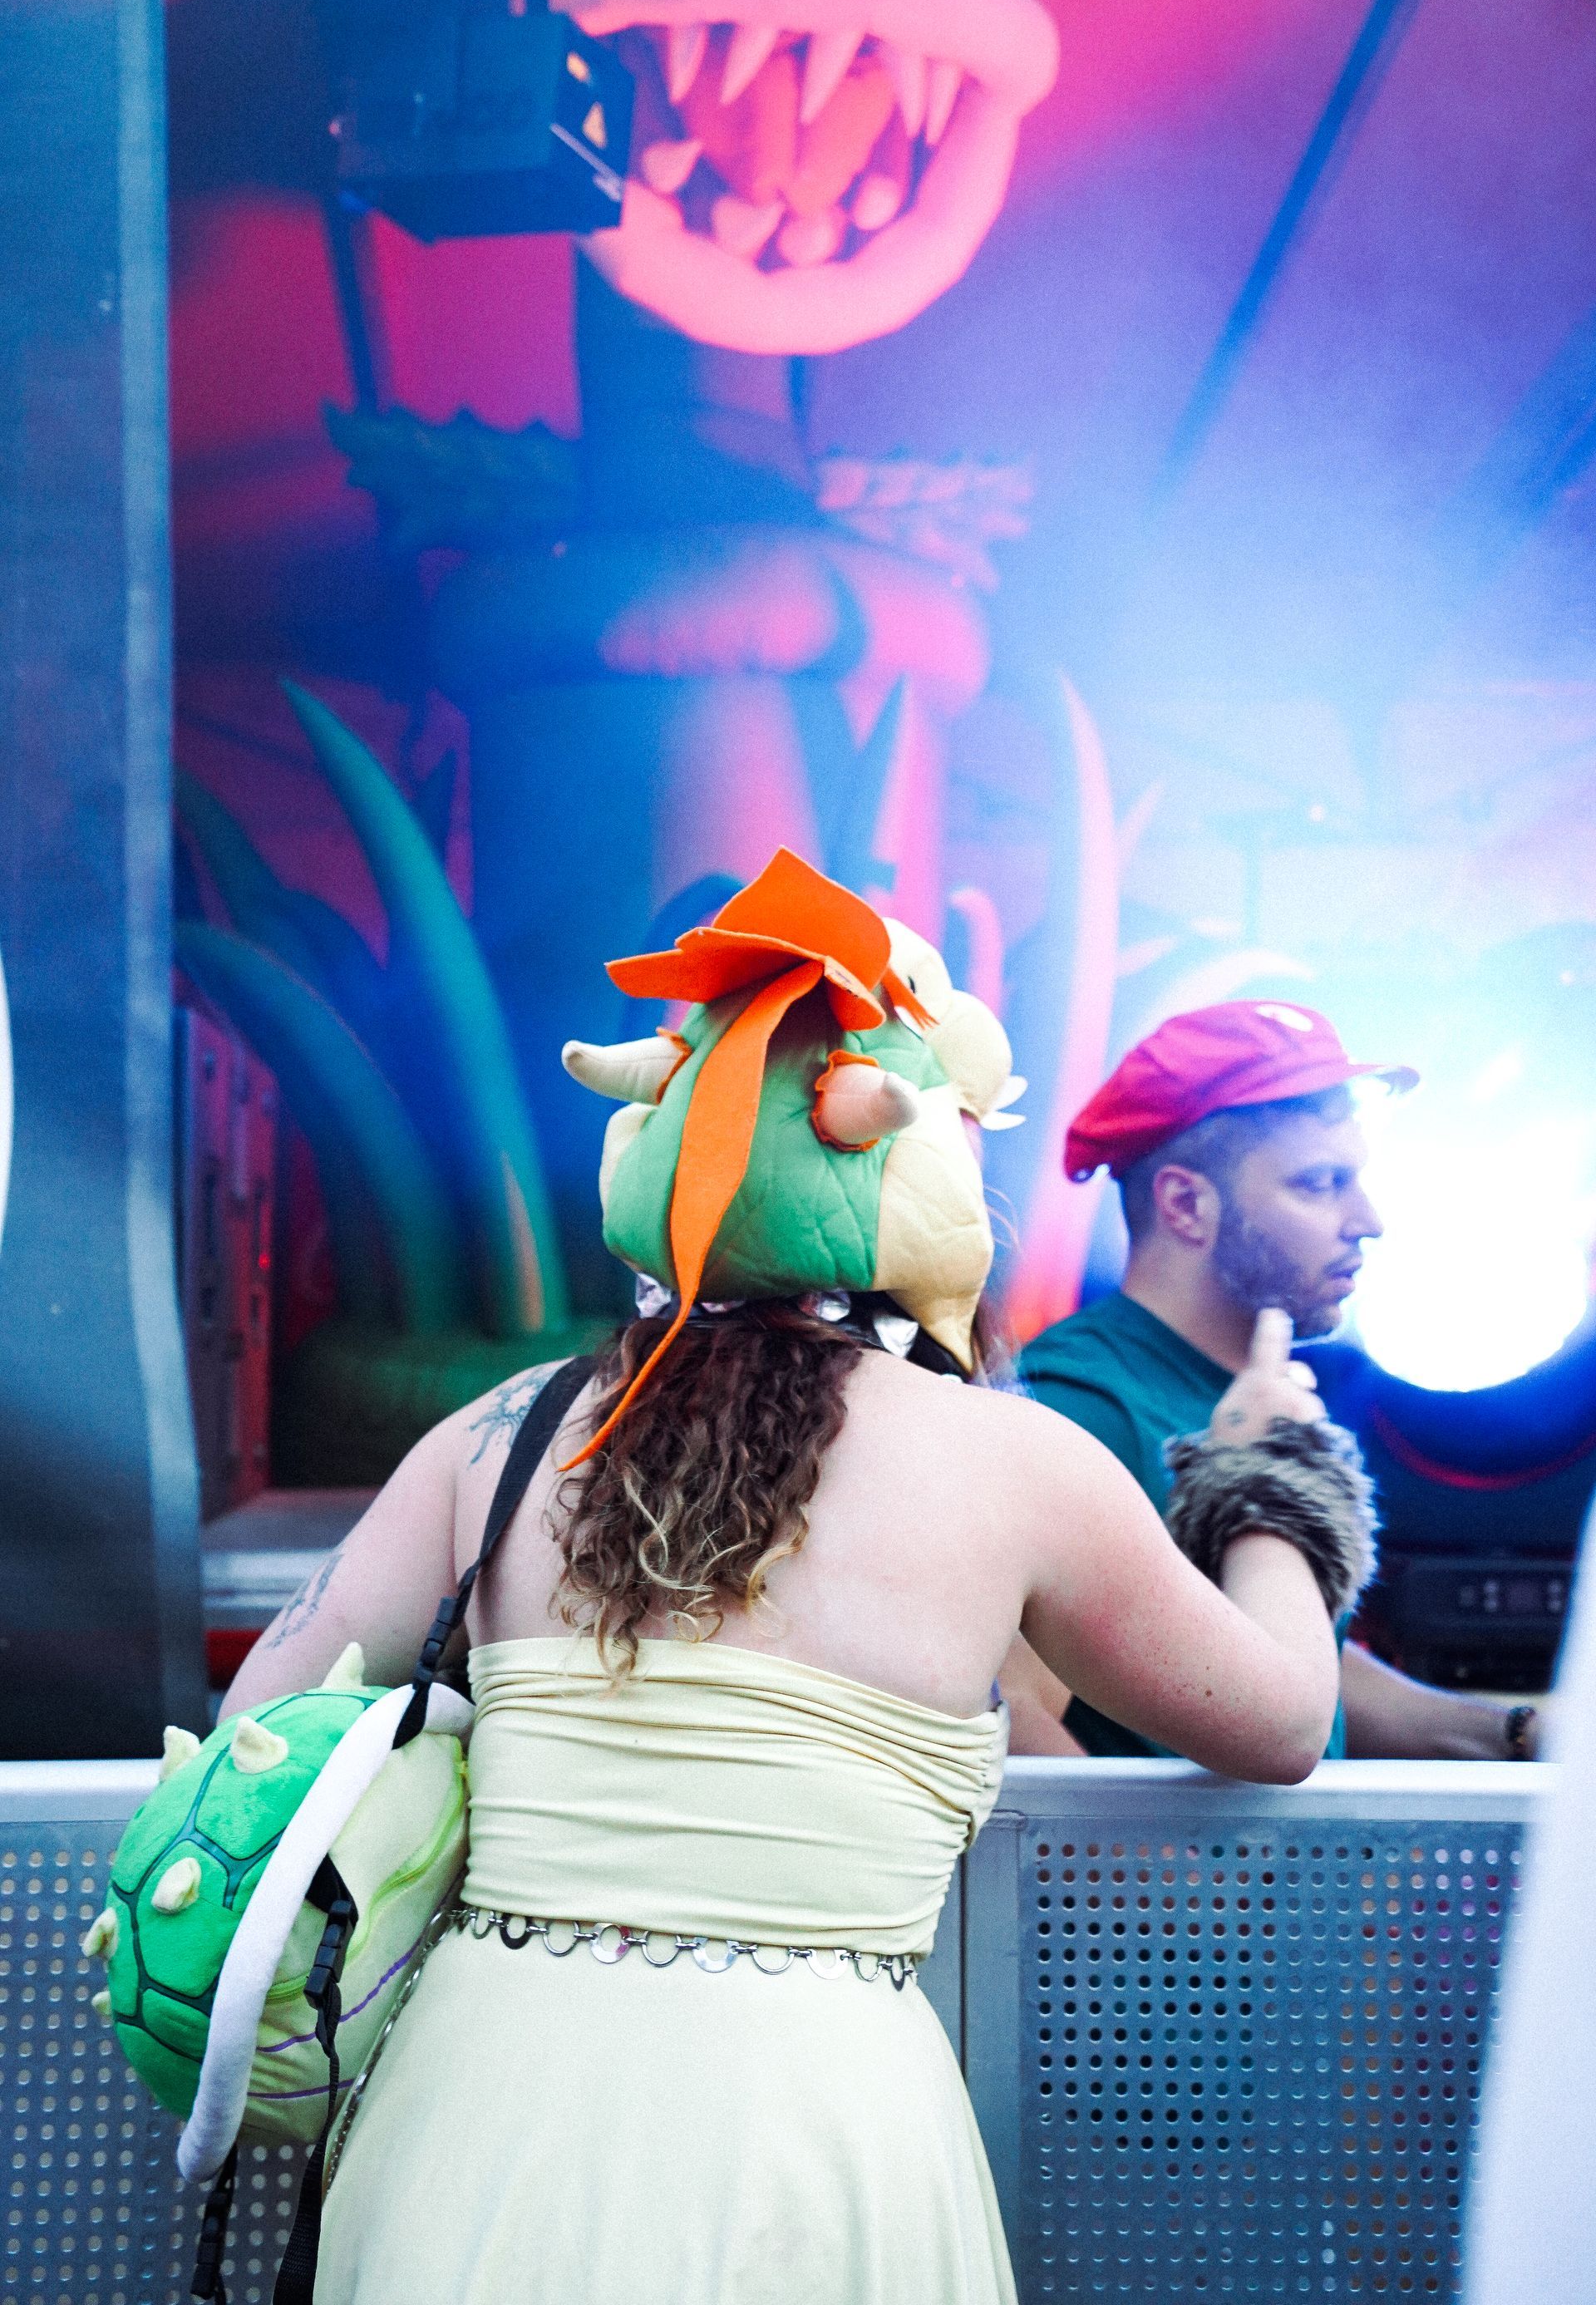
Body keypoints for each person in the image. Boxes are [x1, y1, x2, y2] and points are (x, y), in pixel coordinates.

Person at [222, 858, 1369, 2305]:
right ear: (911, 1175)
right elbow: (1281, 1722)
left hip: (476, 2104)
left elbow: (267, 1720)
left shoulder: (500, 1436)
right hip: (811, 2120)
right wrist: (1267, 1476)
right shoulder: (1015, 1462)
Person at [1020, 999, 1538, 1761]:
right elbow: (1014, 1726)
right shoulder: (1073, 1409)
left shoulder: (1255, 1396)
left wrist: (1516, 1736)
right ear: (1186, 1204)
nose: (1368, 1220)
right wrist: (1164, 1857)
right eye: (1320, 1183)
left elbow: (1290, 1667)